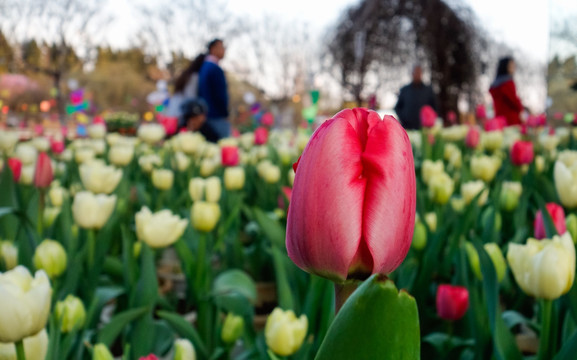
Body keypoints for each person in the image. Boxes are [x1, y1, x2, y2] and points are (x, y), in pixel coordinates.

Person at [197, 38, 230, 140]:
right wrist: (225, 112)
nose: (224, 50)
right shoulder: (214, 68)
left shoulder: (204, 67)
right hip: (216, 116)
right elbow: (220, 95)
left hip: (205, 115)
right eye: (221, 47)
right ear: (212, 49)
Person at [394, 65, 437, 130]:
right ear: (412, 74)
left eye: (419, 73)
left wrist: (430, 121)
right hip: (407, 128)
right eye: (415, 72)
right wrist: (403, 118)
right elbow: (397, 108)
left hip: (425, 129)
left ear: (421, 74)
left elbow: (435, 107)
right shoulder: (405, 90)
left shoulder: (428, 90)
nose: (417, 75)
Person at [165, 54, 206, 118]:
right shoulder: (194, 77)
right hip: (180, 112)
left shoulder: (187, 74)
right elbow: (191, 96)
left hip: (174, 109)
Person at [489, 57, 524, 126]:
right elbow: (513, 100)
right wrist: (520, 108)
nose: (514, 68)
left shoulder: (495, 85)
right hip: (510, 119)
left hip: (498, 118)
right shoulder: (508, 83)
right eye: (511, 66)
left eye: (514, 66)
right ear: (505, 67)